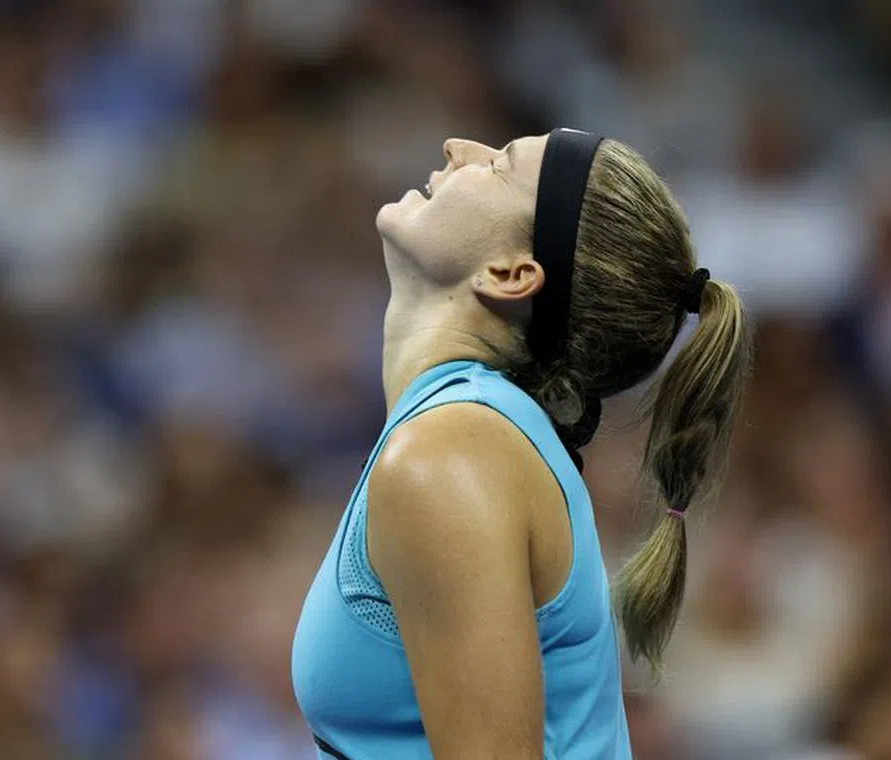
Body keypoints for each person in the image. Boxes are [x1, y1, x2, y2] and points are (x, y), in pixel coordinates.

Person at [291, 128, 751, 759]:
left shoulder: (452, 457)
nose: (458, 146)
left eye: (501, 165)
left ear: (509, 274)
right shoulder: (472, 437)